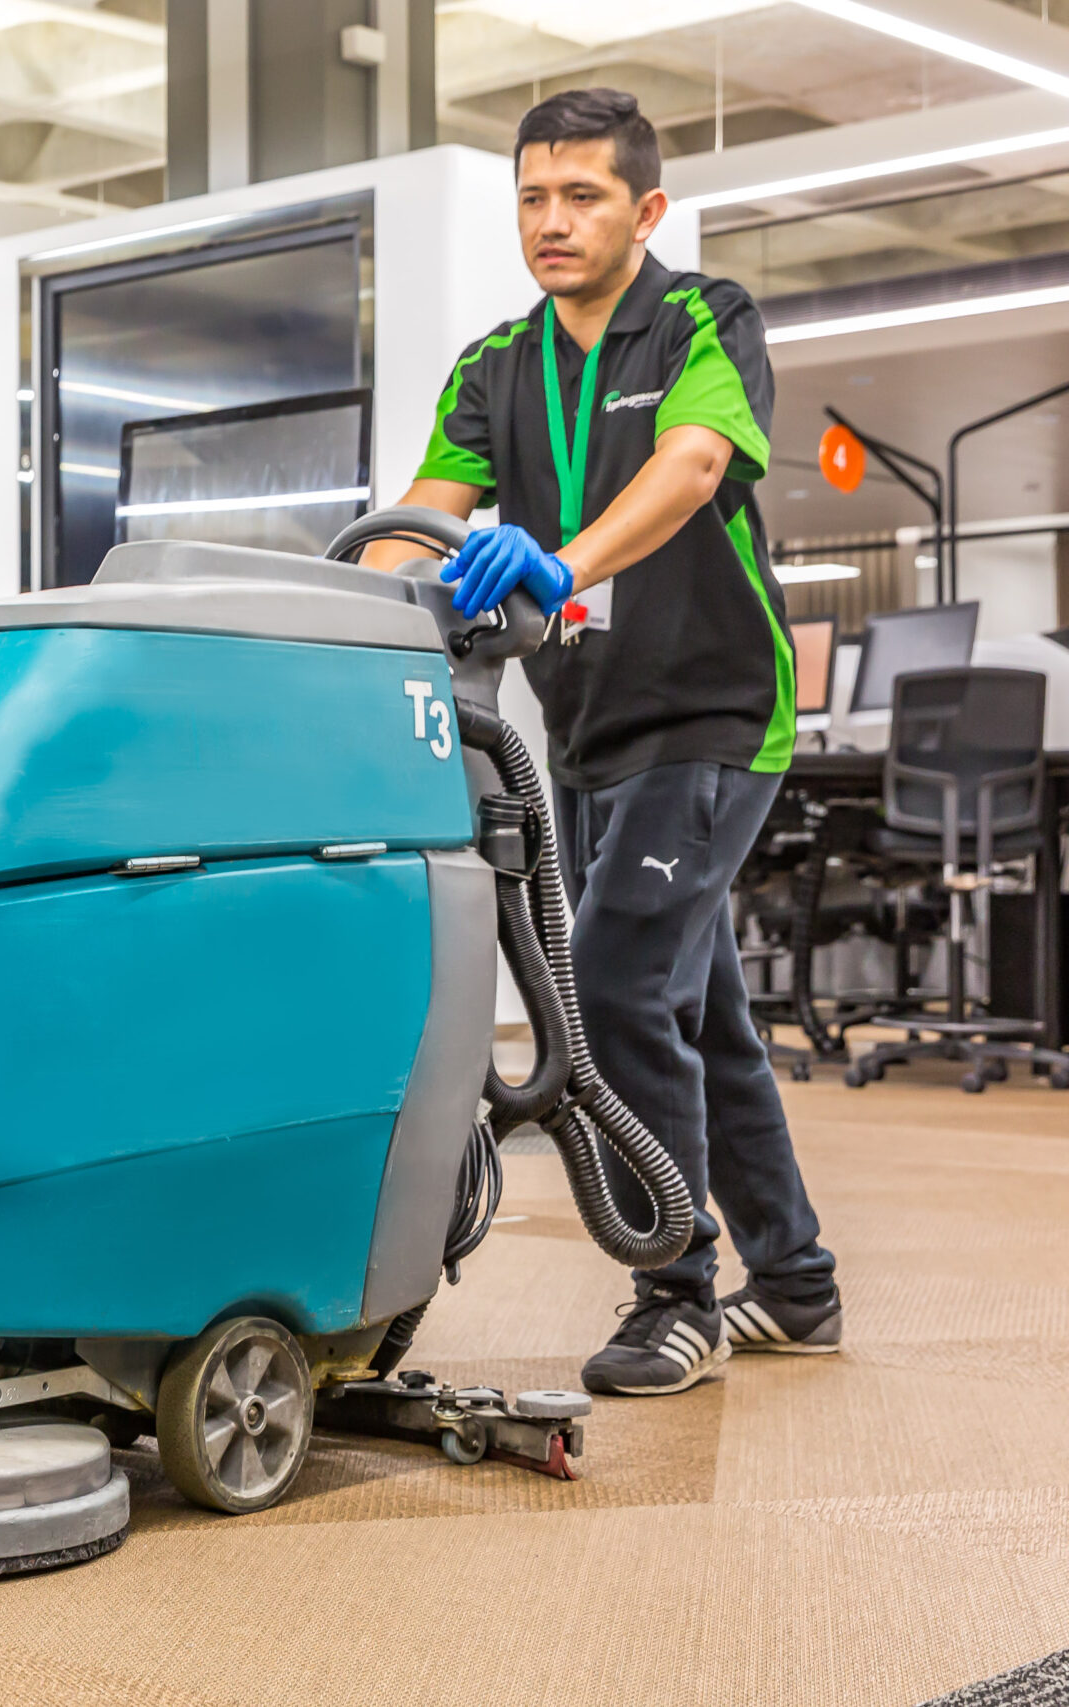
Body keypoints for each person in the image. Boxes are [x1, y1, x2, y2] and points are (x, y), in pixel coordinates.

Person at [364, 87, 840, 1397]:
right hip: (581, 731)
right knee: (702, 1014)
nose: (552, 221)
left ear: (646, 209)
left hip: (716, 716)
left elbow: (692, 468)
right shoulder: (494, 366)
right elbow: (420, 518)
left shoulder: (703, 320)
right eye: (532, 197)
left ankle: (671, 1292)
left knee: (622, 989)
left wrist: (557, 564)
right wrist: (347, 593)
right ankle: (797, 1285)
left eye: (581, 196)